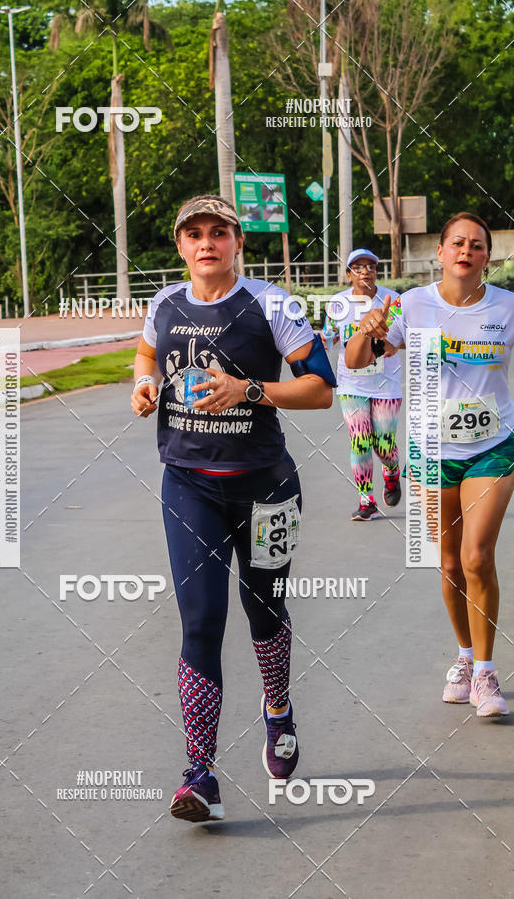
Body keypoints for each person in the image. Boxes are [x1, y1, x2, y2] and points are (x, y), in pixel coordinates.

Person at [131, 194, 334, 822]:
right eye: (193, 233)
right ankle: (200, 775)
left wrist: (249, 389)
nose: (206, 242)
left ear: (238, 242)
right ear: (181, 245)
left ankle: (278, 708)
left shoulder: (275, 305)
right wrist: (142, 385)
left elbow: (322, 389)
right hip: (189, 484)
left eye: (219, 231)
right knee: (200, 621)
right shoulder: (164, 304)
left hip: (267, 487)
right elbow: (147, 355)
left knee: (263, 607)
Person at [345, 212, 514, 717]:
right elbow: (356, 359)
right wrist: (367, 328)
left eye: (477, 245)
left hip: (494, 445)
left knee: (476, 556)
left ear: (488, 256)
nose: (466, 250)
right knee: (446, 562)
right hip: (429, 449)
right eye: (457, 243)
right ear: (439, 253)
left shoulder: (507, 307)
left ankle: (485, 672)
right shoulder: (411, 305)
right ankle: (464, 656)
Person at [323, 249, 403, 520]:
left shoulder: (393, 301)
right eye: (358, 267)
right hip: (350, 384)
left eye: (371, 266)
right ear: (348, 274)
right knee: (360, 442)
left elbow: (407, 336)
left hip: (386, 384)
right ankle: (366, 499)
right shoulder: (337, 303)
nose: (366, 270)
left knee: (384, 444)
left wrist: (394, 345)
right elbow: (328, 337)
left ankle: (392, 471)